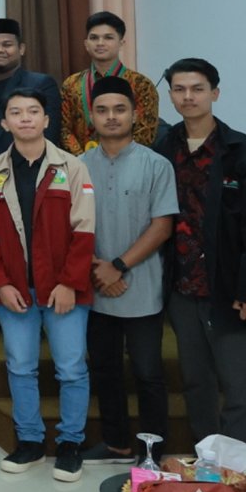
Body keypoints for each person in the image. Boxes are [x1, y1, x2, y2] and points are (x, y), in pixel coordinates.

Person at [158, 58, 246, 447]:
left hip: (229, 286)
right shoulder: (164, 147)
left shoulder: (241, 150)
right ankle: (208, 459)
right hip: (182, 286)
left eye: (197, 89)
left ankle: (238, 467)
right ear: (171, 96)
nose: (188, 96)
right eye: (179, 89)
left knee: (235, 384)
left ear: (214, 93)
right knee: (195, 380)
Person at [0, 87, 95, 484]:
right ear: (4, 122)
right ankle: (29, 441)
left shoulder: (72, 167)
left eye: (33, 111)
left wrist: (70, 283)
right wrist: (0, 285)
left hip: (63, 291)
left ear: (46, 120)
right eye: (16, 112)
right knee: (20, 367)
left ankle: (71, 443)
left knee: (71, 369)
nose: (25, 118)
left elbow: (85, 229)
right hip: (16, 292)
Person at [80, 78, 177, 464]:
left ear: (135, 115)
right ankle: (116, 442)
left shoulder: (157, 165)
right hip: (95, 284)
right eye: (102, 110)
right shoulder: (77, 167)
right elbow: (68, 226)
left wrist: (118, 266)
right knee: (104, 369)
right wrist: (98, 268)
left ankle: (152, 452)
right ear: (91, 116)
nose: (111, 117)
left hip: (142, 286)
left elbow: (162, 226)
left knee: (148, 372)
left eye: (119, 109)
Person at [0, 17, 62, 332]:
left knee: (28, 249)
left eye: (7, 44)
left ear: (21, 48)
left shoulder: (40, 83)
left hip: (24, 181)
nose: (0, 50)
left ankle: (38, 312)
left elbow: (51, 133)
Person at [60, 12, 160, 154]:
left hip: (129, 162)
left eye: (108, 37)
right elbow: (64, 129)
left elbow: (146, 131)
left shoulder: (141, 84)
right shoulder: (71, 84)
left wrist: (117, 159)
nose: (100, 43)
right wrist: (83, 159)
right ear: (86, 44)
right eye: (94, 38)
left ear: (121, 43)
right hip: (80, 163)